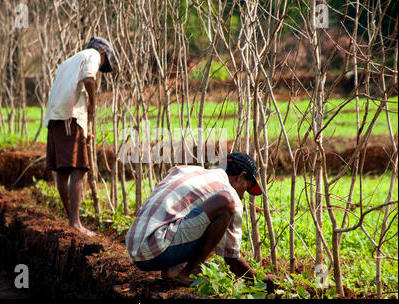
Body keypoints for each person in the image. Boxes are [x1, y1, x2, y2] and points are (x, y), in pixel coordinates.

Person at [125, 152, 275, 286]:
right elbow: (231, 258)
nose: (243, 196)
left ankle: (173, 269)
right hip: (156, 249)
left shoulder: (188, 171)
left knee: (191, 215)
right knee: (226, 202)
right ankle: (191, 271)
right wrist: (259, 279)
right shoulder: (228, 192)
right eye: (246, 188)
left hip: (134, 247)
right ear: (240, 177)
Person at [44, 37, 114, 237]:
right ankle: (75, 222)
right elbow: (89, 78)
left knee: (63, 170)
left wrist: (83, 132)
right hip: (69, 119)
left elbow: (69, 92)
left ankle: (71, 219)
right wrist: (93, 103)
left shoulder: (68, 63)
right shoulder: (91, 55)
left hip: (57, 119)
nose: (102, 67)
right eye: (104, 63)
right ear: (102, 53)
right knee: (79, 168)